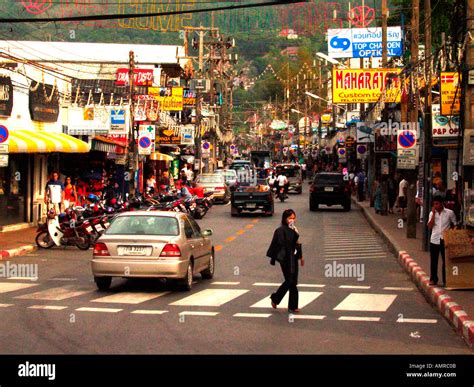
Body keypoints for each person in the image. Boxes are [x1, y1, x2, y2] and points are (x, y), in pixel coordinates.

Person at [266, 209, 304, 313]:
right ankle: (275, 298)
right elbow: (278, 245)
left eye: (293, 218)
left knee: (293, 282)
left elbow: (297, 244)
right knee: (289, 280)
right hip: (285, 259)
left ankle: (292, 305)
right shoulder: (280, 231)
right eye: (289, 218)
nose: (292, 220)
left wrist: (301, 257)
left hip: (293, 258)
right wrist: (275, 258)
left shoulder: (295, 230)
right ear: (285, 219)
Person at [427, 196, 457, 287]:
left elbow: (455, 224)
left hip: (445, 239)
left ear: (441, 203)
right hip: (434, 239)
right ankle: (433, 279)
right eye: (434, 204)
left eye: (437, 204)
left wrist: (452, 233)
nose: (435, 206)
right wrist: (433, 214)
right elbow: (430, 226)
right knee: (434, 260)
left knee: (445, 261)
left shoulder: (449, 213)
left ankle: (445, 280)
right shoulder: (432, 213)